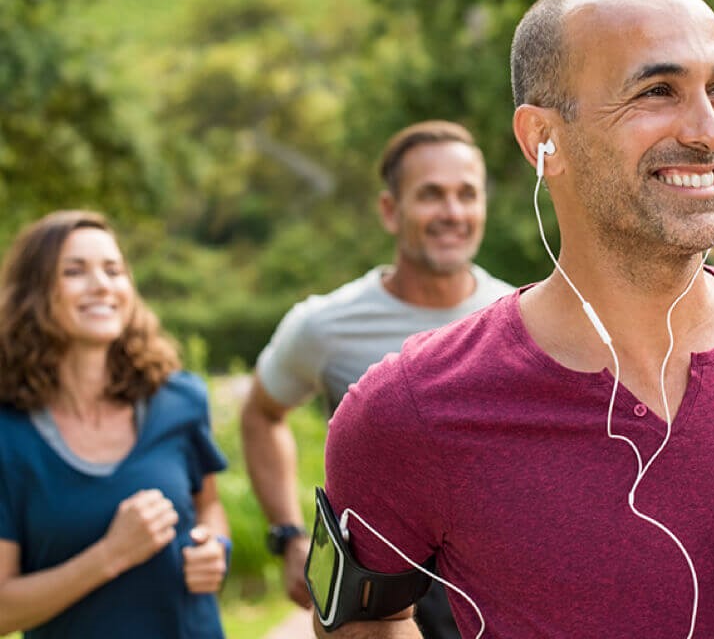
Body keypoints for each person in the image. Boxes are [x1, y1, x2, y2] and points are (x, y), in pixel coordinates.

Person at [320, 0, 714, 638]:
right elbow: (356, 627)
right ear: (541, 142)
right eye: (657, 91)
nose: (709, 131)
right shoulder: (408, 407)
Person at [240, 120, 514, 638]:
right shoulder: (324, 325)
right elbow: (261, 415)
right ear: (390, 210)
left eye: (466, 195)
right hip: (376, 602)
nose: (453, 213)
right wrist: (289, 535)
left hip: (490, 598)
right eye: (431, 195)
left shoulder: (518, 317)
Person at [0, 210, 230, 638]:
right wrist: (111, 554)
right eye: (74, 271)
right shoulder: (8, 436)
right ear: (33, 292)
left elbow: (208, 506)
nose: (102, 285)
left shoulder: (181, 400)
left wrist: (215, 547)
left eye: (113, 270)